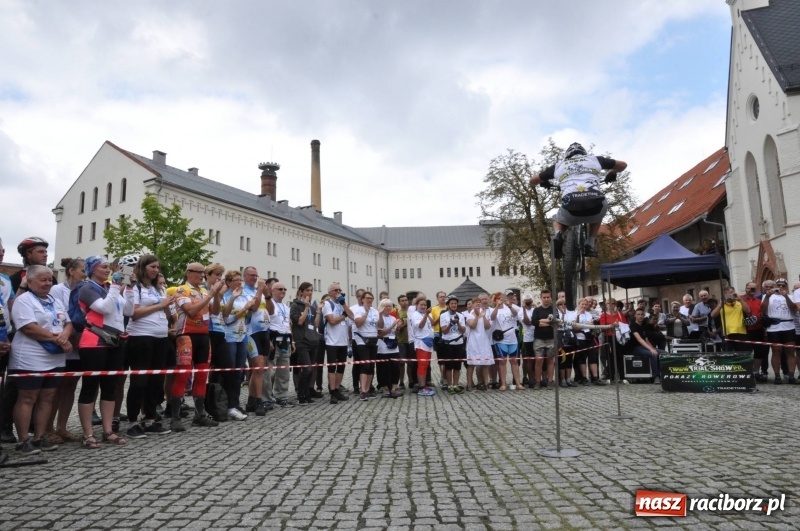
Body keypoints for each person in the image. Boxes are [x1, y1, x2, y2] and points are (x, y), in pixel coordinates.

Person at [8, 265, 71, 454]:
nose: (48, 283)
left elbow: (68, 322)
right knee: (28, 397)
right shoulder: (24, 300)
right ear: (30, 281)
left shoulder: (54, 300)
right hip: (30, 356)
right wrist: (58, 339)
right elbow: (28, 327)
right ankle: (23, 440)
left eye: (50, 280)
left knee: (48, 397)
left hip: (55, 357)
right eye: (43, 280)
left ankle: (39, 436)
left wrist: (65, 335)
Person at [529, 143, 627, 258]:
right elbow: (623, 165)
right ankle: (589, 244)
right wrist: (612, 173)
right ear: (584, 153)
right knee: (598, 212)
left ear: (567, 155)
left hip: (571, 206)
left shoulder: (558, 166)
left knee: (558, 220)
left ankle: (558, 235)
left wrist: (544, 181)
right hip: (596, 205)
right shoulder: (595, 160)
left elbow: (532, 181)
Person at [122, 255, 176, 439]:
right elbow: (134, 313)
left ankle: (150, 418)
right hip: (141, 337)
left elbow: (165, 311)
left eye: (157, 267)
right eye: (152, 266)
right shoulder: (135, 286)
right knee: (139, 381)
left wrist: (168, 304)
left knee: (156, 381)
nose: (155, 270)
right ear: (143, 267)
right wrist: (160, 304)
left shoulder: (157, 288)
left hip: (160, 337)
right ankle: (132, 421)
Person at [76, 256, 128, 447]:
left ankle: (108, 430)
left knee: (110, 387)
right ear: (93, 269)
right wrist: (115, 285)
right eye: (103, 267)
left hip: (115, 341)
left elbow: (126, 310)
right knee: (90, 387)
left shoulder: (109, 288)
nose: (107, 270)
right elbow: (104, 308)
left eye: (108, 267)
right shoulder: (87, 287)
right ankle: (88, 433)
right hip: (94, 342)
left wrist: (128, 288)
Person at [2, 236, 49, 444]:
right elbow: (14, 308)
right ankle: (5, 427)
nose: (45, 255)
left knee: (41, 390)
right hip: (17, 336)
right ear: (28, 255)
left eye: (46, 252)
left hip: (44, 339)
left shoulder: (49, 278)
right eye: (40, 252)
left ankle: (35, 429)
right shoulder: (13, 278)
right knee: (14, 386)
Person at [169, 262, 225, 431]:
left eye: (203, 273)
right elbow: (191, 311)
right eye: (199, 273)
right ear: (188, 273)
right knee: (183, 376)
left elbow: (215, 312)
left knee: (201, 377)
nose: (202, 275)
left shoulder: (204, 291)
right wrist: (210, 295)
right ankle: (175, 417)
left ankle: (200, 415)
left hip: (203, 336)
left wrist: (216, 296)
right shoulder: (181, 290)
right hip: (186, 336)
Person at [44, 257, 85, 444]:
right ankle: (48, 427)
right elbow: (61, 314)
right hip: (63, 341)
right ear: (71, 271)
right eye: (83, 270)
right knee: (57, 388)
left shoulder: (85, 288)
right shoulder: (58, 290)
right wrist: (70, 335)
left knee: (70, 386)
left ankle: (62, 427)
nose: (85, 273)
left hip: (79, 343)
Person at [219, 269, 252, 420]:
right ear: (228, 283)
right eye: (236, 280)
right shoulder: (225, 297)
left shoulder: (244, 296)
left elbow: (247, 319)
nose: (239, 282)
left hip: (243, 336)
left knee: (239, 371)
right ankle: (227, 404)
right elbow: (227, 319)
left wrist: (249, 310)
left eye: (240, 280)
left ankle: (235, 402)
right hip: (229, 337)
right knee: (230, 372)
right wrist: (244, 309)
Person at [289, 282, 321, 405]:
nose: (310, 293)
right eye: (307, 290)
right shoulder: (295, 306)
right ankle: (300, 394)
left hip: (313, 340)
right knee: (306, 368)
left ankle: (306, 393)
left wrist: (317, 311)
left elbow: (316, 324)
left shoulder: (312, 307)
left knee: (311, 369)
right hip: (302, 341)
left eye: (311, 290)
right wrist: (306, 307)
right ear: (301, 292)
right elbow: (299, 322)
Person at [761, 278, 797, 384]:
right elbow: (762, 309)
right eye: (778, 285)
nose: (780, 287)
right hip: (774, 327)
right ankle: (777, 375)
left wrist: (785, 296)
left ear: (786, 286)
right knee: (776, 351)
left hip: (789, 326)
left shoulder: (790, 296)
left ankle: (791, 375)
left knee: (790, 351)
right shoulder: (767, 296)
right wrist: (767, 296)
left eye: (783, 285)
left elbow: (794, 308)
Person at [322, 283, 353, 404]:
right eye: (336, 290)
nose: (338, 291)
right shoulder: (327, 304)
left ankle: (337, 389)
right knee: (332, 367)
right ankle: (332, 391)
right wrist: (343, 316)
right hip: (332, 341)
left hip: (343, 341)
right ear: (330, 292)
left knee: (341, 367)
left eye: (340, 290)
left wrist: (344, 304)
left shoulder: (341, 304)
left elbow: (352, 316)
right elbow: (332, 321)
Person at [268, 282, 295, 406]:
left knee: (284, 372)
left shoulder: (286, 307)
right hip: (274, 340)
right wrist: (268, 340)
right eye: (280, 289)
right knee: (270, 372)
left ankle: (281, 396)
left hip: (286, 341)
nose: (283, 291)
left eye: (285, 289)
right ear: (272, 290)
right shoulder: (269, 304)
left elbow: (288, 325)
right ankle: (267, 397)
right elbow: (265, 323)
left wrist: (292, 340)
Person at [352, 291, 383, 401]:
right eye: (367, 298)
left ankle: (368, 388)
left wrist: (380, 314)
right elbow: (358, 323)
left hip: (373, 339)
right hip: (362, 340)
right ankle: (363, 390)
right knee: (365, 364)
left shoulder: (375, 311)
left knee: (371, 365)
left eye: (371, 298)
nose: (369, 300)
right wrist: (365, 313)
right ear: (362, 299)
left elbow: (380, 326)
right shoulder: (359, 310)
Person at [629, 308, 666, 384]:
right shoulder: (633, 325)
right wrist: (651, 350)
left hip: (644, 347)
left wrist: (653, 348)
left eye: (642, 314)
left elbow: (646, 340)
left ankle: (665, 374)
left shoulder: (643, 325)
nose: (640, 316)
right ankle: (656, 377)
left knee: (664, 353)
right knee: (652, 354)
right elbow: (639, 339)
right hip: (636, 348)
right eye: (638, 314)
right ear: (635, 315)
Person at [439, 295, 466, 394]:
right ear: (448, 305)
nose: (454, 305)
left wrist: (458, 323)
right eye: (452, 303)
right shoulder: (443, 315)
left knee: (457, 366)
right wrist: (450, 324)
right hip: (448, 343)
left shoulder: (461, 315)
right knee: (449, 366)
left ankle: (456, 384)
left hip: (459, 343)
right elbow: (444, 331)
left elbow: (463, 330)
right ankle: (450, 385)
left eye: (455, 303)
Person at [709, 287, 750, 352]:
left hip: (741, 332)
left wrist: (740, 299)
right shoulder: (722, 306)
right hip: (727, 333)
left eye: (732, 293)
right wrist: (720, 304)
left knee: (741, 354)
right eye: (728, 294)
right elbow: (712, 315)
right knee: (728, 355)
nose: (731, 296)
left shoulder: (740, 303)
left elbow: (748, 311)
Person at [465, 293, 493, 390]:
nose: (477, 304)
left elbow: (488, 326)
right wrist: (477, 316)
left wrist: (483, 316)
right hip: (473, 341)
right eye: (475, 302)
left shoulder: (484, 312)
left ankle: (486, 384)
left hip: (483, 340)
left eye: (478, 302)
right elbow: (472, 326)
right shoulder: (469, 315)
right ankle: (469, 384)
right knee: (472, 364)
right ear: (472, 304)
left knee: (485, 364)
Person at [743, 281, 769, 381]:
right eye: (751, 288)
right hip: (745, 330)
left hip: (758, 329)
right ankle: (747, 372)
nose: (753, 291)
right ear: (746, 289)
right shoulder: (741, 299)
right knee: (748, 352)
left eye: (754, 288)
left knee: (759, 352)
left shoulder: (758, 300)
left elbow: (762, 312)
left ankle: (756, 372)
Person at [530, 290, 556, 390]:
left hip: (551, 338)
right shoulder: (536, 310)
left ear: (550, 298)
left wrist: (541, 321)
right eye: (544, 297)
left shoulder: (554, 309)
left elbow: (555, 322)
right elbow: (534, 322)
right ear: (541, 298)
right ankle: (538, 381)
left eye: (548, 297)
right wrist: (548, 322)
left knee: (550, 360)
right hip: (539, 339)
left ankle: (550, 381)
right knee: (539, 361)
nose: (546, 299)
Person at [410, 297, 436, 396]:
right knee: (422, 365)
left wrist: (427, 315)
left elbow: (433, 323)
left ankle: (424, 384)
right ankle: (421, 387)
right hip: (421, 342)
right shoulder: (415, 315)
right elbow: (420, 326)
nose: (423, 306)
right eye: (421, 305)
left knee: (426, 365)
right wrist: (425, 315)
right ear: (417, 305)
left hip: (428, 342)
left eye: (425, 305)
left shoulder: (425, 314)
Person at [376, 298, 401, 398]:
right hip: (383, 345)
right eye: (386, 306)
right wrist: (392, 326)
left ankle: (395, 386)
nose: (388, 308)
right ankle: (385, 387)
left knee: (395, 367)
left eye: (390, 306)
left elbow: (396, 333)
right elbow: (381, 332)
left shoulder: (393, 318)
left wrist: (398, 327)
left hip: (393, 345)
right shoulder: (379, 318)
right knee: (383, 368)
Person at [520, 295, 536, 387]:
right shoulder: (521, 311)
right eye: (526, 301)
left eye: (529, 301)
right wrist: (524, 309)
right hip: (527, 338)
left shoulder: (535, 310)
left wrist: (536, 307)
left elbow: (536, 320)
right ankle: (530, 380)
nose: (528, 303)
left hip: (537, 336)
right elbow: (527, 322)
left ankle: (537, 378)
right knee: (529, 359)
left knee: (538, 359)